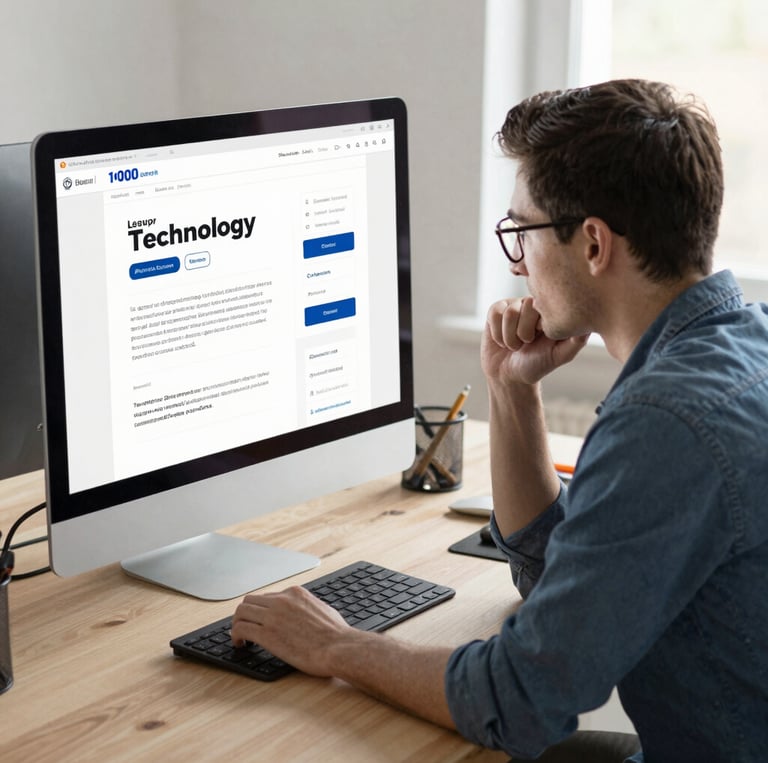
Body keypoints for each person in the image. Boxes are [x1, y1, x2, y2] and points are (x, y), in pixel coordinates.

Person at [231, 80, 768, 762]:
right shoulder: (743, 346)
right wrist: (512, 389)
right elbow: (562, 582)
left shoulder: (666, 422)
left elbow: (517, 701)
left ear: (594, 244)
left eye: (522, 232)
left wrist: (336, 645)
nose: (517, 263)